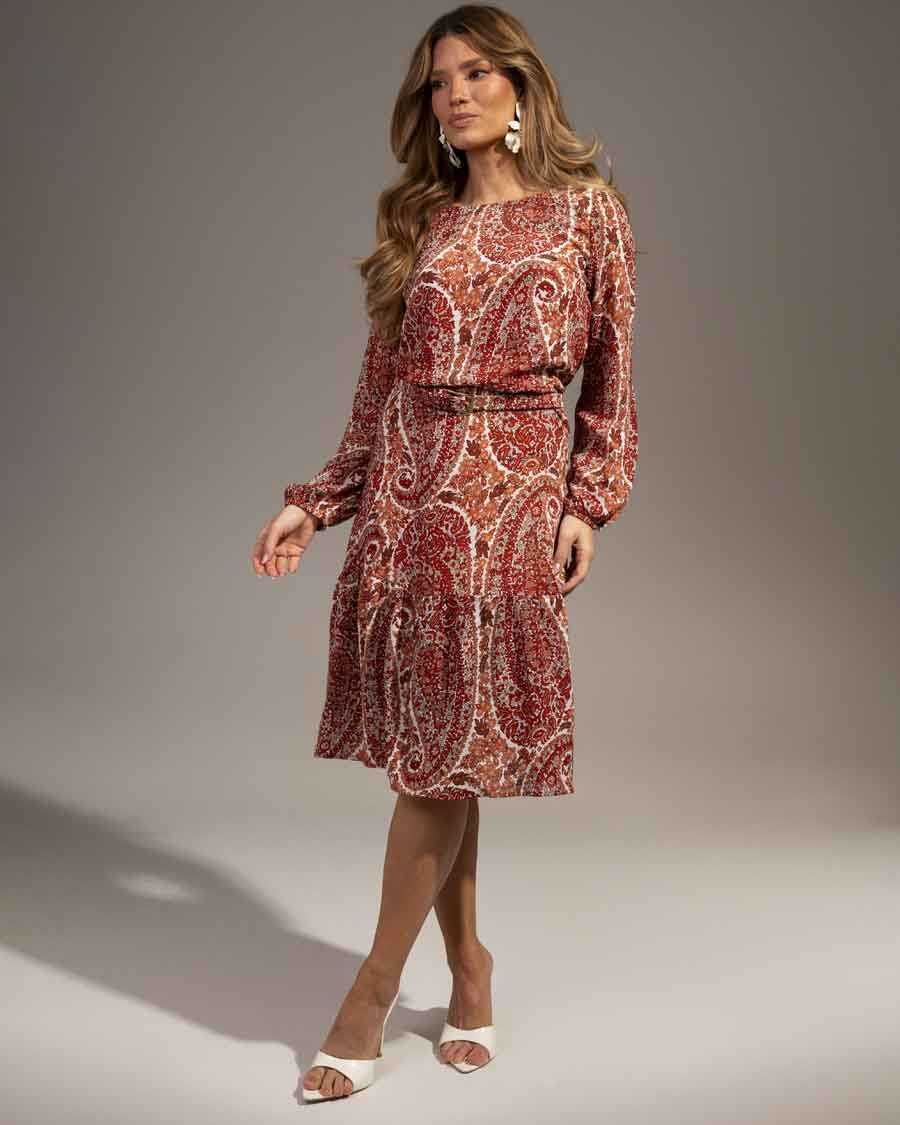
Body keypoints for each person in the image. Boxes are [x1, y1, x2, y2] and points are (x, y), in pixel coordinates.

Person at [251, 3, 639, 1101]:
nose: (455, 94)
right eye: (437, 81)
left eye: (475, 74)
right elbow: (377, 394)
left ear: (521, 88)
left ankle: (369, 994)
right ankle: (469, 967)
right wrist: (319, 503)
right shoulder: (422, 223)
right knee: (441, 752)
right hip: (411, 501)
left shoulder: (588, 214)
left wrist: (587, 503)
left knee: (443, 754)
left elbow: (612, 384)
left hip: (512, 499)